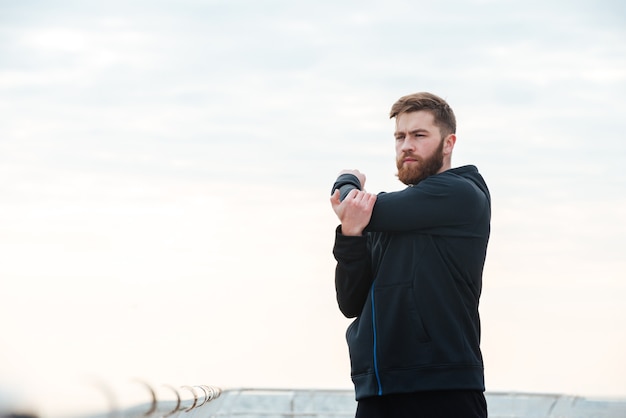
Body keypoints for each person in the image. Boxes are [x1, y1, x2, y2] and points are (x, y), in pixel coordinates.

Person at [330, 92, 491, 418]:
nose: (406, 145)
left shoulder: (460, 192)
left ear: (448, 143)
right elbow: (350, 302)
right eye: (400, 136)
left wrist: (346, 180)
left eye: (419, 135)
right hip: (378, 392)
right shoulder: (386, 218)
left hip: (443, 391)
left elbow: (349, 200)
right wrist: (350, 234)